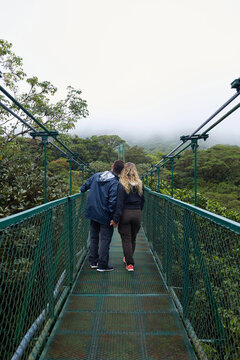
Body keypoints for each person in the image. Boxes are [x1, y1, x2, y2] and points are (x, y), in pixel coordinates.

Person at [80, 159, 124, 272]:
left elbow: (83, 187)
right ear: (121, 171)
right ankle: (102, 265)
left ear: (112, 166)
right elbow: (113, 202)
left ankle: (93, 262)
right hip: (105, 215)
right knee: (105, 240)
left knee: (94, 237)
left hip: (92, 212)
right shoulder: (115, 183)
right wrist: (113, 218)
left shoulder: (96, 175)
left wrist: (84, 190)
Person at [111, 162, 144, 272]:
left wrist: (115, 219)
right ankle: (128, 258)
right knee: (133, 238)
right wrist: (139, 211)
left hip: (125, 214)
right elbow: (143, 201)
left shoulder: (122, 185)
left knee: (126, 240)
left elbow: (119, 204)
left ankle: (130, 264)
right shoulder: (140, 184)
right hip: (137, 213)